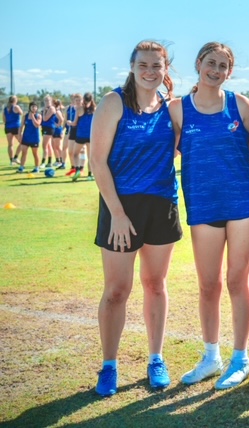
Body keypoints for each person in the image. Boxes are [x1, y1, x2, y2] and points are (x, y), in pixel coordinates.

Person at [90, 40, 182, 397]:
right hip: (121, 207)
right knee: (116, 290)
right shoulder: (114, 102)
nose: (149, 71)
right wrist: (116, 213)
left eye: (156, 65)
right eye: (143, 64)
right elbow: (98, 162)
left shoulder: (171, 108)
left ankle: (156, 359)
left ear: (165, 69)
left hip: (162, 204)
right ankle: (109, 366)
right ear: (132, 66)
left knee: (155, 284)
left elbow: (181, 146)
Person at [171, 42, 249, 390]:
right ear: (199, 64)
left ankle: (241, 358)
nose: (216, 70)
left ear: (230, 72)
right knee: (209, 284)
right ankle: (211, 357)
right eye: (211, 63)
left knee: (237, 281)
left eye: (223, 66)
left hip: (243, 204)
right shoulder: (178, 109)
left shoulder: (240, 105)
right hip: (203, 205)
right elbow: (160, 152)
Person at [71, 92, 96, 181]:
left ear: (83, 99)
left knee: (75, 154)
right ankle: (90, 175)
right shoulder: (95, 109)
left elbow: (74, 123)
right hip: (90, 135)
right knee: (90, 156)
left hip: (80, 135)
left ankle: (78, 169)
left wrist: (69, 123)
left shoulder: (79, 109)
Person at [16, 101, 41, 173]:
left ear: (37, 108)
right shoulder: (25, 116)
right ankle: (21, 167)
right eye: (32, 106)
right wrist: (19, 135)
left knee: (35, 153)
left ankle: (37, 168)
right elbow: (21, 126)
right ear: (30, 107)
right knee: (24, 152)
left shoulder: (38, 116)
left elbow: (37, 125)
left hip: (34, 138)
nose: (34, 108)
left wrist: (33, 117)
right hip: (26, 137)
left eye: (35, 107)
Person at [61, 94, 81, 172]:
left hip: (77, 131)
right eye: (72, 98)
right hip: (69, 130)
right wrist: (62, 129)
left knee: (76, 151)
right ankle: (70, 166)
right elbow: (65, 120)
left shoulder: (79, 108)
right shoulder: (68, 108)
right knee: (66, 149)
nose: (73, 100)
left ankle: (78, 167)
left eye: (74, 98)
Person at [3, 95, 23, 165]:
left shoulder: (5, 108)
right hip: (16, 127)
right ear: (15, 100)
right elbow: (21, 113)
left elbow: (4, 120)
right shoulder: (16, 107)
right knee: (23, 142)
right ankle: (15, 157)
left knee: (10, 144)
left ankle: (11, 161)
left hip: (8, 127)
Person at [40, 95, 55, 168]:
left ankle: (43, 162)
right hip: (44, 127)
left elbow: (45, 118)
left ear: (51, 101)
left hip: (49, 128)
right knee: (48, 145)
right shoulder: (45, 108)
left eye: (48, 100)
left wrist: (44, 111)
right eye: (45, 101)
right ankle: (49, 162)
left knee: (44, 145)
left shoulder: (51, 108)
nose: (47, 102)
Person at [51, 99, 65, 167]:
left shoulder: (57, 111)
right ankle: (57, 160)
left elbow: (61, 119)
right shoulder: (54, 111)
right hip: (54, 130)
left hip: (57, 130)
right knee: (54, 146)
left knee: (58, 146)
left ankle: (62, 161)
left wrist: (58, 125)